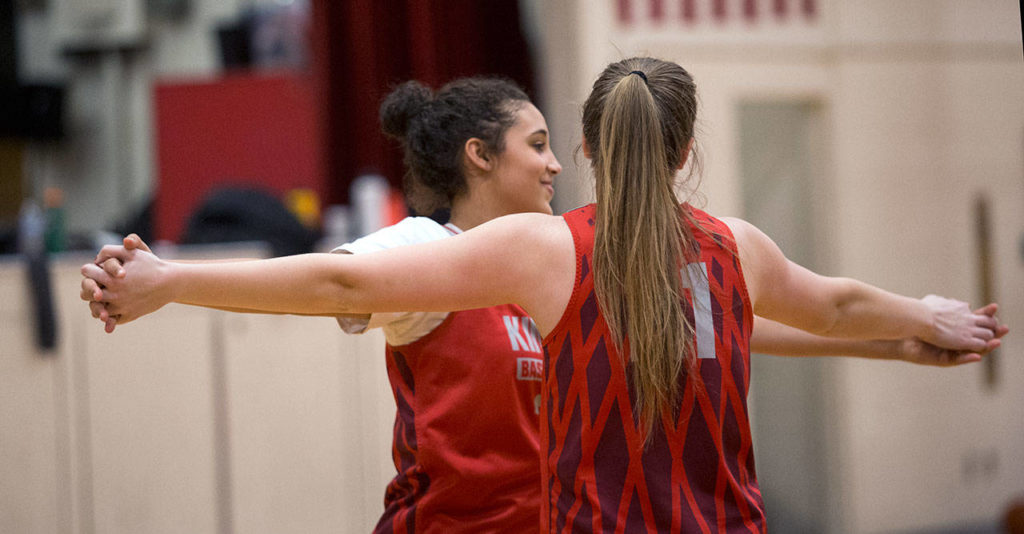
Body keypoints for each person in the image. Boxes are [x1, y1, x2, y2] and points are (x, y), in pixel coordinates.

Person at [81, 59, 1005, 532]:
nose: (554, 162)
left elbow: (736, 335)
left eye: (560, 144)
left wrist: (171, 282)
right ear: (683, 150)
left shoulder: (555, 252)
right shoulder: (718, 248)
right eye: (534, 146)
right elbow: (830, 303)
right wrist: (911, 320)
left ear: (595, 143)